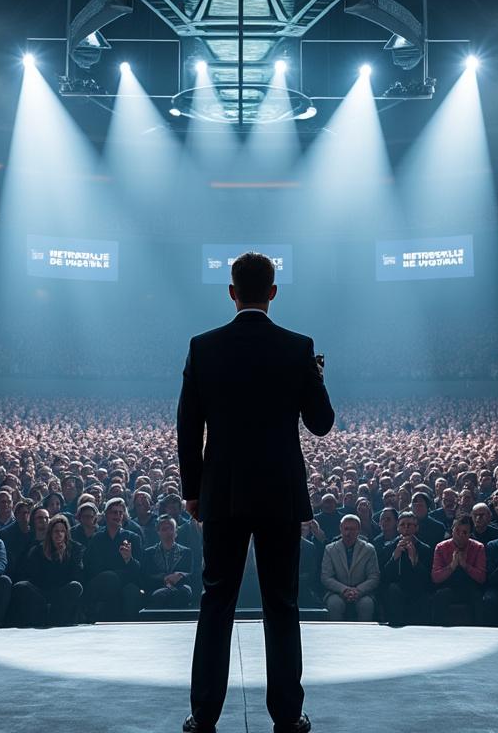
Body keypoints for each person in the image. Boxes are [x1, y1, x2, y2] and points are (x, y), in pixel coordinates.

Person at [180, 251, 333, 733]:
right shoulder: (298, 347)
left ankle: (203, 716)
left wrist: (193, 490)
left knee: (216, 602)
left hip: (221, 493)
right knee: (281, 605)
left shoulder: (203, 347)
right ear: (272, 291)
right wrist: (316, 378)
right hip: (280, 495)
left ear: (231, 292)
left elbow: (188, 427)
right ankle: (287, 716)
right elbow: (321, 424)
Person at [82, 497, 144, 621]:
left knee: (131, 591)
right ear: (106, 515)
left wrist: (128, 559)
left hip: (125, 583)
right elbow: (90, 566)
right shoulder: (96, 539)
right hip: (101, 583)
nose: (118, 516)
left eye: (121, 513)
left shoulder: (133, 538)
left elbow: (139, 570)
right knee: (110, 577)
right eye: (114, 512)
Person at [19, 514, 85, 627]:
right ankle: (42, 616)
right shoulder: (38, 549)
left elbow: (76, 575)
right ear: (50, 533)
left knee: (76, 586)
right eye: (56, 531)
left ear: (66, 533)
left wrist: (61, 558)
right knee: (22, 586)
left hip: (63, 591)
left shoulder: (75, 549)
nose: (59, 534)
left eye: (62, 531)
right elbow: (34, 577)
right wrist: (50, 559)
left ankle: (56, 617)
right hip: (43, 592)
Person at [320, 515, 380, 622]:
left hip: (363, 593)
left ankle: (364, 637)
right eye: (346, 528)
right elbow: (326, 577)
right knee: (334, 604)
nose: (348, 533)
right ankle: (335, 637)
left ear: (358, 530)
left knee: (366, 604)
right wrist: (344, 590)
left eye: (352, 529)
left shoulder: (369, 549)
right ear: (341, 528)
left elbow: (374, 577)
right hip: (337, 592)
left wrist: (358, 590)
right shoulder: (330, 549)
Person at [430, 516, 486, 626]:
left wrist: (465, 566)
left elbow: (482, 578)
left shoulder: (478, 547)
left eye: (465, 532)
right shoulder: (441, 547)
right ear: (452, 530)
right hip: (448, 586)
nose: (460, 535)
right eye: (457, 531)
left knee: (478, 598)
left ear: (470, 533)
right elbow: (435, 577)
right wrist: (452, 566)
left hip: (471, 586)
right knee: (440, 595)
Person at [381, 511, 433, 627]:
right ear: (398, 528)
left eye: (410, 525)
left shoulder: (425, 549)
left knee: (424, 596)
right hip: (398, 586)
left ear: (416, 528)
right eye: (403, 525)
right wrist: (395, 557)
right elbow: (384, 576)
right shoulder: (388, 547)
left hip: (417, 587)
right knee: (392, 589)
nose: (406, 528)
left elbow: (427, 579)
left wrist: (414, 560)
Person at [143, 515, 195, 609]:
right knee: (159, 595)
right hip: (157, 587)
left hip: (180, 587)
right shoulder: (149, 553)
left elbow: (192, 574)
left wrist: (180, 575)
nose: (168, 532)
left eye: (171, 528)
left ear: (176, 532)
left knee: (184, 592)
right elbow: (146, 576)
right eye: (164, 529)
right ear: (158, 532)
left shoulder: (186, 552)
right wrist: (164, 578)